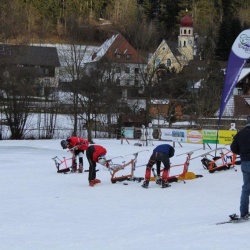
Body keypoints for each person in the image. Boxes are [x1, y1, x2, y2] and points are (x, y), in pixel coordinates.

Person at [230, 116, 250, 219]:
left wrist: (242, 153)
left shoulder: (240, 133)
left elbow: (233, 148)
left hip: (245, 162)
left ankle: (244, 212)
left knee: (246, 188)